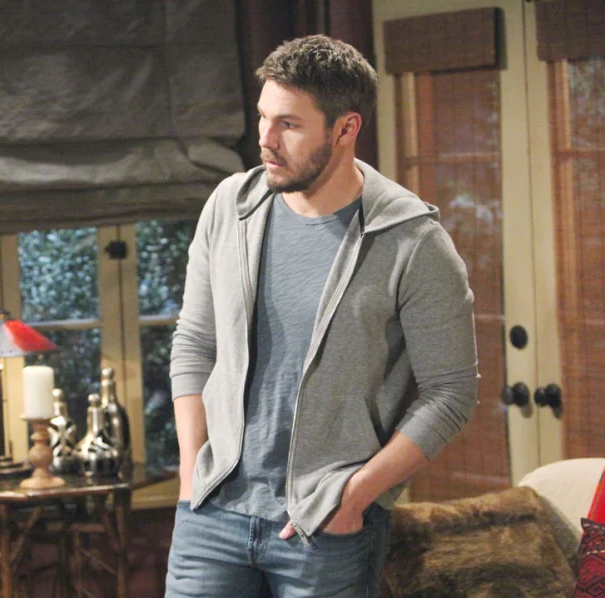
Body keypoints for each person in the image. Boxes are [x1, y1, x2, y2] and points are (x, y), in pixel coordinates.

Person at [166, 35, 478, 597]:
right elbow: (194, 342)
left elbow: (450, 393)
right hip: (211, 517)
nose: (266, 140)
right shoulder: (230, 207)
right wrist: (192, 474)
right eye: (263, 118)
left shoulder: (412, 241)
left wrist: (356, 495)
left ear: (345, 128)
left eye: (289, 124)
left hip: (325, 531)